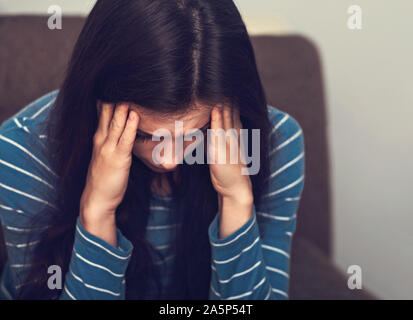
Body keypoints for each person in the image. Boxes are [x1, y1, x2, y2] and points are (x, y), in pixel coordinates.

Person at [0, 0, 305, 300]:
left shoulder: (277, 143)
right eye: (146, 135)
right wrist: (97, 212)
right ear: (95, 96)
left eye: (194, 134)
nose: (170, 160)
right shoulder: (22, 150)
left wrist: (237, 201)